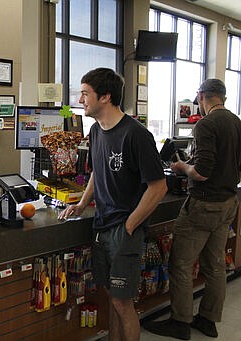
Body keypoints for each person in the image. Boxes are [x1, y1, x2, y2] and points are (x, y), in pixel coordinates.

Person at [58, 68, 167, 341]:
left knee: (123, 302)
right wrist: (83, 203)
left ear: (105, 97)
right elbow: (97, 171)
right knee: (112, 297)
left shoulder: (136, 135)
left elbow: (159, 187)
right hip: (101, 226)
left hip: (124, 230)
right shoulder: (96, 131)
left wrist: (130, 225)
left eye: (85, 93)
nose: (80, 99)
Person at [144, 79, 241, 340]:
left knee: (181, 264)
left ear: (201, 96)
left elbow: (201, 172)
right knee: (215, 264)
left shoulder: (206, 124)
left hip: (204, 204)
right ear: (223, 97)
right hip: (228, 202)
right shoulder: (236, 122)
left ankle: (180, 321)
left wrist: (182, 168)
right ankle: (208, 319)